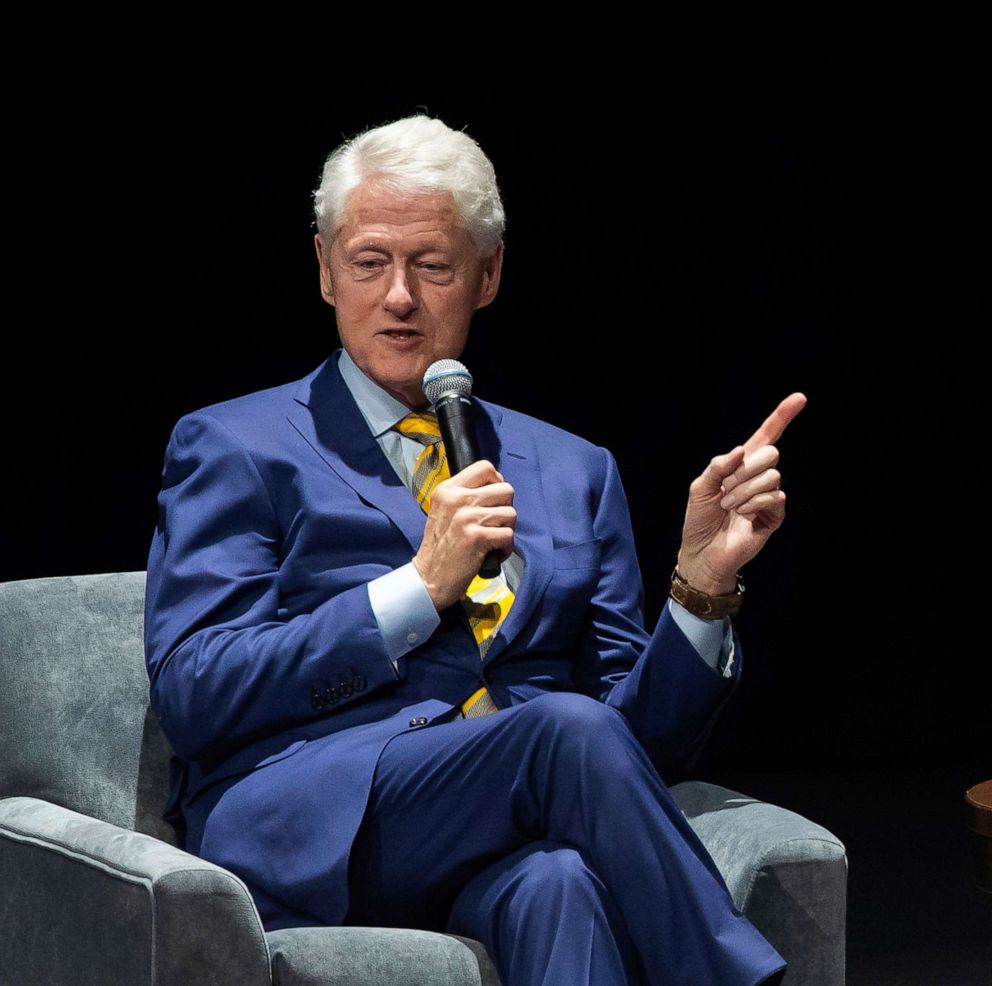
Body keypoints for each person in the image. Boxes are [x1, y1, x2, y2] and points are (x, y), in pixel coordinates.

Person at [144, 113, 805, 985]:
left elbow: (638, 750)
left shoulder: (575, 470)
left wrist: (698, 588)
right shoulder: (235, 445)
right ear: (324, 268)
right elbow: (196, 689)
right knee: (565, 729)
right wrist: (416, 589)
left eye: (434, 266)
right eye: (369, 262)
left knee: (560, 882)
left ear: (488, 275)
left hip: (503, 824)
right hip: (330, 815)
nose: (400, 298)